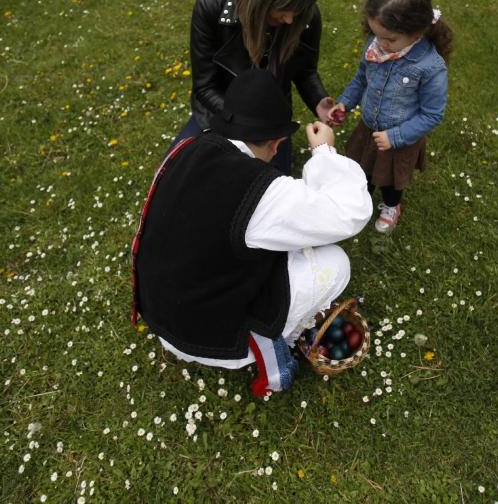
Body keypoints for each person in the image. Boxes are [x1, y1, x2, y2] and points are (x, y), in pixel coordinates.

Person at [132, 69, 372, 397]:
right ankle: (272, 335)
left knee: (274, 240)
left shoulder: (188, 148)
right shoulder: (259, 192)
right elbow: (350, 212)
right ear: (276, 144)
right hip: (205, 335)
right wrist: (324, 153)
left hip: (161, 310)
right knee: (336, 262)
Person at [172, 0, 337, 174]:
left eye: (299, 9)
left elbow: (305, 71)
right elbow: (205, 87)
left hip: (271, 123)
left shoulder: (306, 17)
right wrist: (246, 122)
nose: (291, 20)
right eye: (283, 8)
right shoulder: (211, 6)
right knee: (176, 173)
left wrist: (319, 101)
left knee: (267, 191)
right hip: (220, 114)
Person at [329, 0, 453, 233]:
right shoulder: (375, 46)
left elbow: (432, 114)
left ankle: (391, 205)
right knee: (362, 170)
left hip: (399, 138)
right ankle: (360, 198)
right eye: (377, 35)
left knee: (391, 181)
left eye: (390, 39)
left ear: (417, 31)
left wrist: (396, 136)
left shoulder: (430, 67)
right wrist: (344, 104)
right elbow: (361, 79)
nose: (381, 45)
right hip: (369, 127)